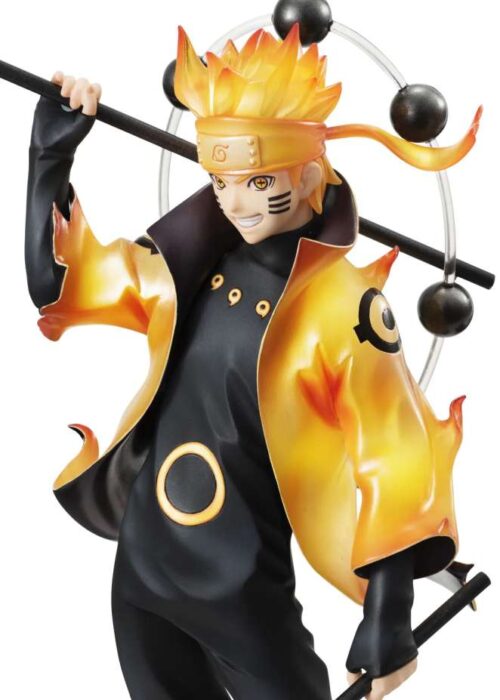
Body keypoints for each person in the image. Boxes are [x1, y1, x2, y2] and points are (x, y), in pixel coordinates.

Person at [25, 24, 480, 700]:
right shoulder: (186, 267)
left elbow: (396, 450)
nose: (234, 201)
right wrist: (49, 158)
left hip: (242, 590)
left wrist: (389, 612)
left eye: (258, 180)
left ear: (309, 174)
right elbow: (61, 285)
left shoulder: (344, 309)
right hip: (142, 576)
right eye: (219, 180)